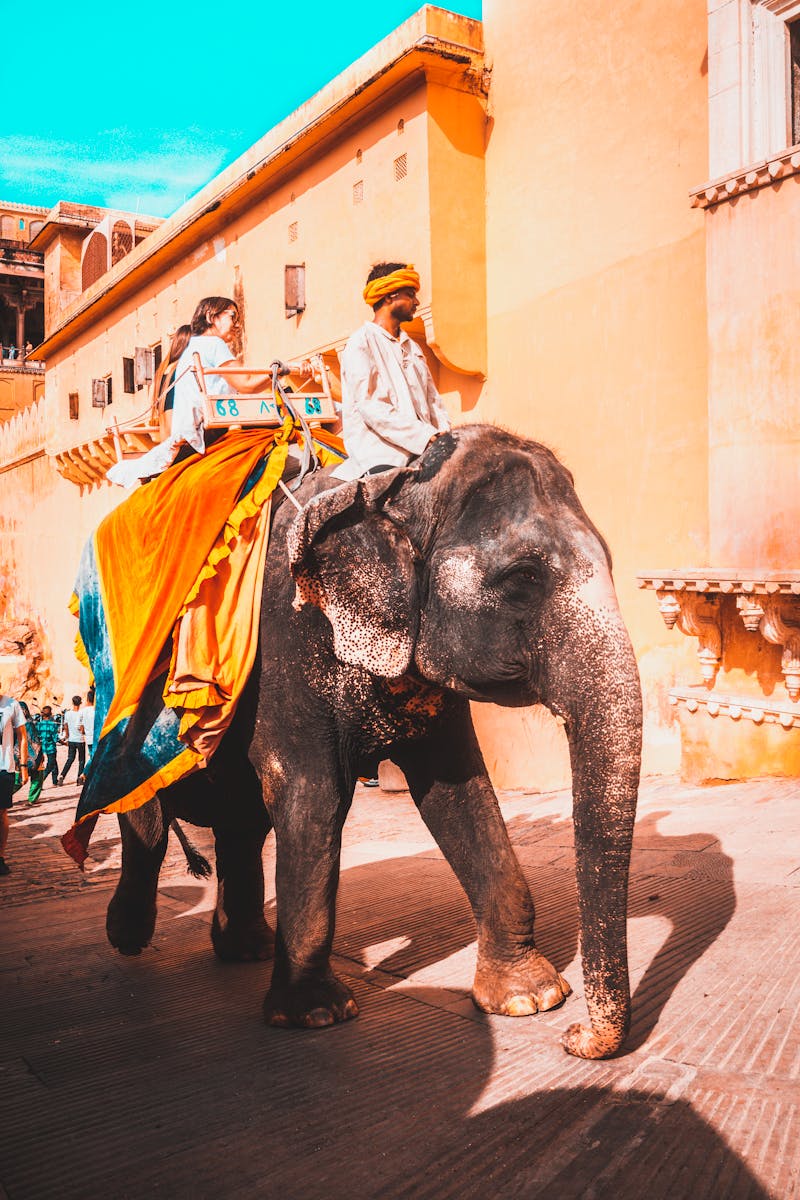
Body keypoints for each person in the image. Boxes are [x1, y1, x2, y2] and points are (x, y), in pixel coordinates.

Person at [107, 297, 285, 488]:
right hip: (208, 431)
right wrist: (278, 369)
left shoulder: (191, 348)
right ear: (211, 317)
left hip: (188, 434)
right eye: (233, 316)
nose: (237, 324)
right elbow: (246, 384)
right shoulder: (214, 344)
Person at [335, 262, 451, 480]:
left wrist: (444, 434)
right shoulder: (360, 343)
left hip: (426, 451)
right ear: (389, 296)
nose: (417, 302)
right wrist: (425, 436)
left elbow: (433, 400)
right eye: (410, 294)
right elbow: (371, 406)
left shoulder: (412, 347)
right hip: (383, 457)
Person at [0, 690, 28, 875]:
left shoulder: (12, 705)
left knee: (1, 813)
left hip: (4, 767)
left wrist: (23, 765)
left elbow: (23, 736)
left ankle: (0, 857)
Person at [58, 695, 85, 785]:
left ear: (72, 703)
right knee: (81, 760)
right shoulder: (81, 713)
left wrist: (67, 736)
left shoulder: (68, 713)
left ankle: (62, 775)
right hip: (80, 739)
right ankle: (79, 779)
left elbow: (65, 725)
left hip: (72, 739)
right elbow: (82, 726)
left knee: (70, 759)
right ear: (80, 703)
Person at [36, 704, 60, 790]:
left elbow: (37, 736)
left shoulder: (39, 725)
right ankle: (40, 782)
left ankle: (55, 781)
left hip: (42, 747)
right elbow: (55, 738)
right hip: (51, 748)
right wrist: (64, 743)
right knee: (50, 765)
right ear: (51, 714)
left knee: (54, 763)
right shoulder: (53, 725)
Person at [76, 688, 95, 786]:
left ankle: (86, 775)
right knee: (94, 757)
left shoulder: (83, 711)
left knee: (92, 756)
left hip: (88, 738)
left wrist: (85, 731)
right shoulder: (97, 709)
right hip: (97, 737)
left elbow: (79, 726)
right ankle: (83, 774)